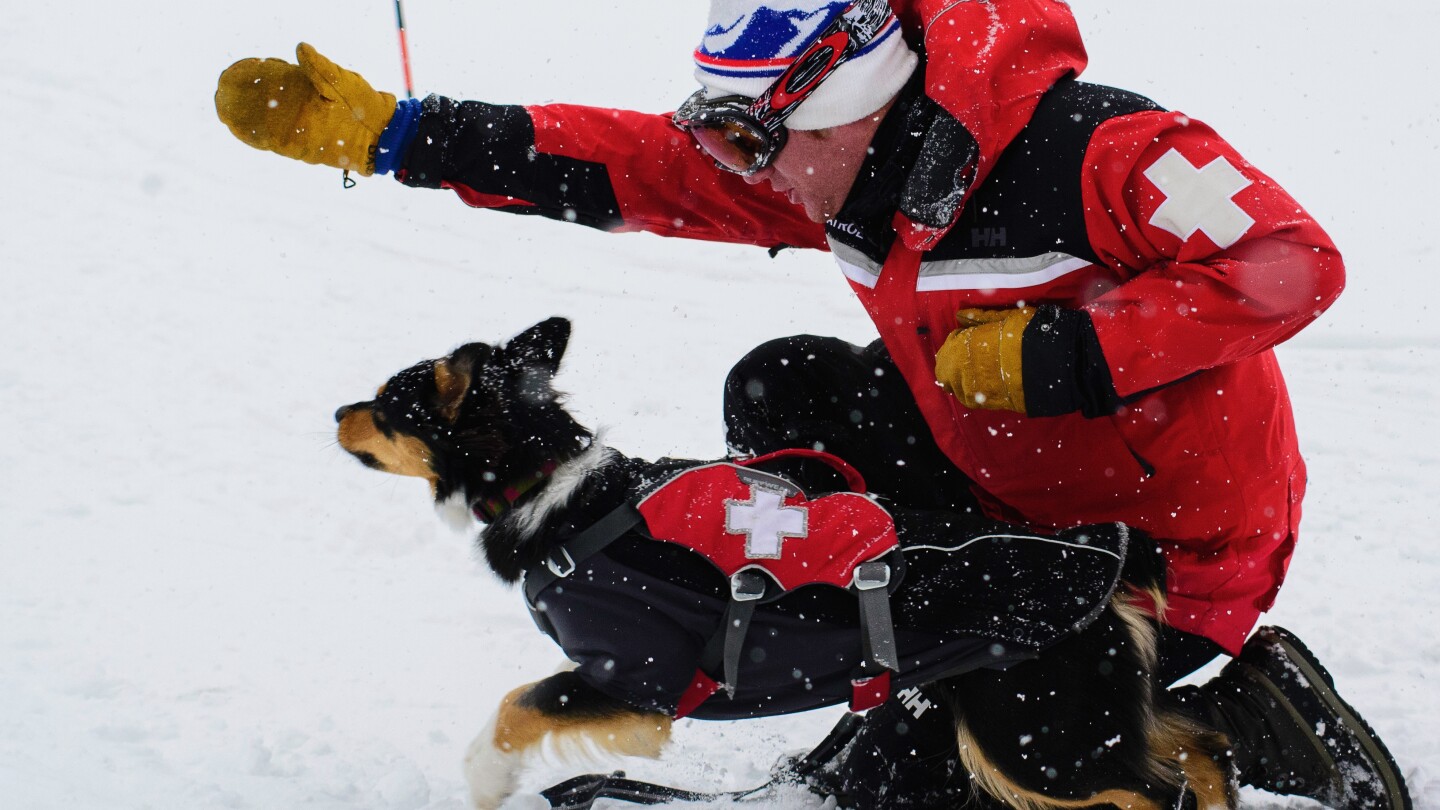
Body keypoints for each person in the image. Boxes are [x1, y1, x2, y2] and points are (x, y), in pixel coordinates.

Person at [214, 1, 1411, 807]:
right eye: (727, 136)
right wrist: (401, 133)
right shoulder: (839, 172)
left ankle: (1234, 714)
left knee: (928, 782)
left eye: (752, 137)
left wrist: (1075, 350)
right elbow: (633, 166)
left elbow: (1295, 259)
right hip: (999, 502)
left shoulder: (1099, 153)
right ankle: (907, 651)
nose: (738, 166)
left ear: (857, 104)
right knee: (786, 384)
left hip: (1155, 554)